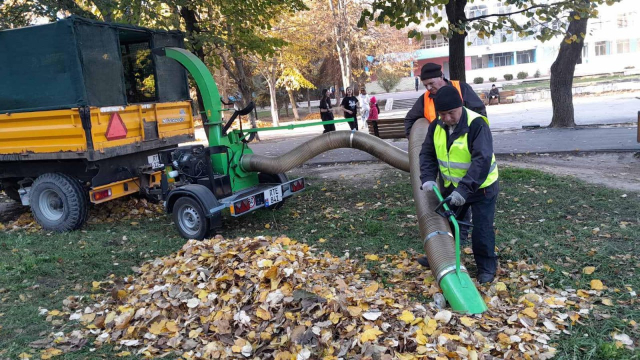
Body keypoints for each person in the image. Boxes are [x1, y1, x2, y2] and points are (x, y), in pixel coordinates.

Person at [419, 86, 500, 284]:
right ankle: (443, 258)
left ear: (460, 107)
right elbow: (427, 153)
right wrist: (428, 177)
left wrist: (464, 190)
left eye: (450, 113)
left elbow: (481, 160)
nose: (446, 118)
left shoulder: (477, 124)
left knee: (482, 229)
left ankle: (487, 268)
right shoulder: (437, 126)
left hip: (482, 187)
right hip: (453, 186)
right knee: (449, 224)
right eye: (442, 114)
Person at [404, 63, 486, 138]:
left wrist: (478, 135)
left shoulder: (462, 88)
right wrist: (415, 142)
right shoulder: (425, 99)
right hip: (439, 145)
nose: (428, 88)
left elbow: (478, 112)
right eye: (425, 85)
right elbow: (410, 119)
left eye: (431, 83)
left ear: (441, 77)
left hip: (467, 140)